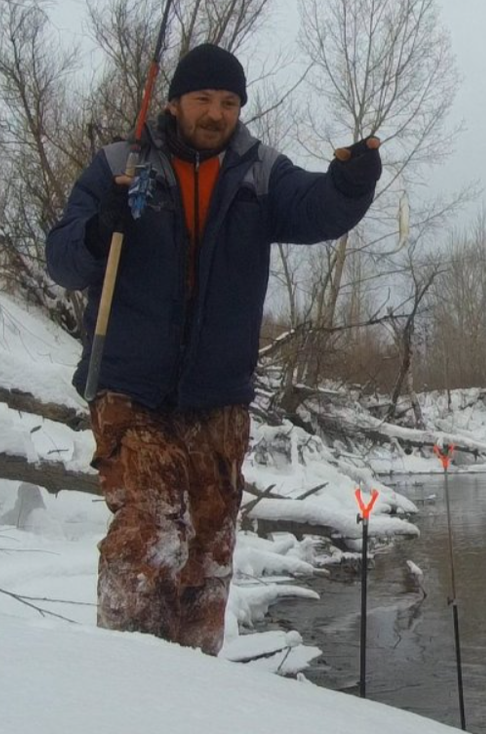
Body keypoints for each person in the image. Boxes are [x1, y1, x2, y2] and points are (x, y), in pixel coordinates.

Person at [46, 43, 381, 655]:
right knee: (152, 525)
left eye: (229, 102)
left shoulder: (258, 173)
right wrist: (99, 229)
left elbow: (317, 208)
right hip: (130, 385)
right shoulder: (121, 165)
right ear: (174, 103)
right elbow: (61, 259)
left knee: (207, 544)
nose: (215, 113)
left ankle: (196, 686)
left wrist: (350, 186)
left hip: (218, 397)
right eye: (203, 99)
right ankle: (124, 676)